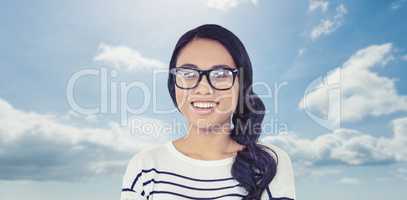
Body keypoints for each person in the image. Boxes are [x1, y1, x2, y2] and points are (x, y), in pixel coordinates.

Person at [120, 24, 295, 200]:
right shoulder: (145, 166)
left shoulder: (268, 164)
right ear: (173, 84)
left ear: (241, 85)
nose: (203, 89)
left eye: (220, 74)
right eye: (188, 74)